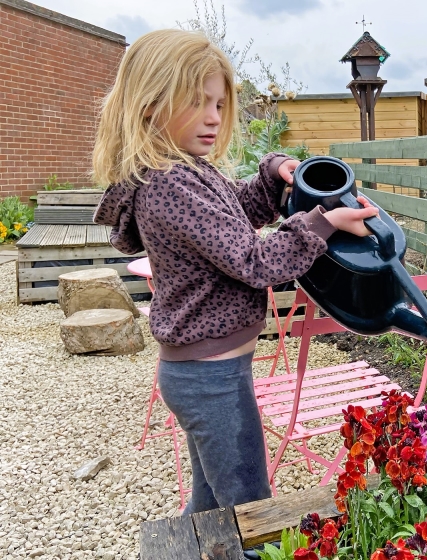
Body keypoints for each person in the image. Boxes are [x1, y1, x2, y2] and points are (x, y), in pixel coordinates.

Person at [92, 29, 379, 515]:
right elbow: (254, 261)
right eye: (198, 102)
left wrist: (272, 175)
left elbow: (233, 216)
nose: (213, 117)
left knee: (211, 507)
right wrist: (324, 223)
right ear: (149, 104)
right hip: (211, 379)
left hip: (211, 371)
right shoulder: (170, 185)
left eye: (220, 105)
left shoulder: (186, 170)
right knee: (249, 509)